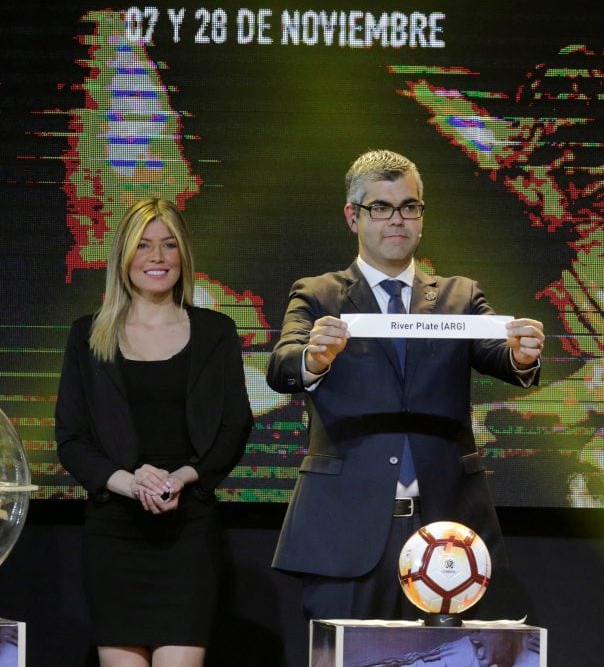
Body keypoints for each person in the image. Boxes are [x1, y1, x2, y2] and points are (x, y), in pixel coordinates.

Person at [267, 150, 545, 621]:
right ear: (353, 216)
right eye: (381, 207)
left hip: (447, 527)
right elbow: (282, 366)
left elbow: (500, 357)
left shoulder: (460, 295)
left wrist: (521, 355)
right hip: (346, 527)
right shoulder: (319, 294)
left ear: (421, 216)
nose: (397, 219)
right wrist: (313, 358)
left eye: (409, 206)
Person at [55, 198, 253, 666]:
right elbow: (71, 438)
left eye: (168, 245)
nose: (157, 258)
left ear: (183, 255)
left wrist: (181, 477)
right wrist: (129, 481)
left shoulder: (216, 332)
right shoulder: (88, 336)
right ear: (124, 257)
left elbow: (234, 426)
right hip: (114, 535)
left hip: (188, 534)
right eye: (143, 246)